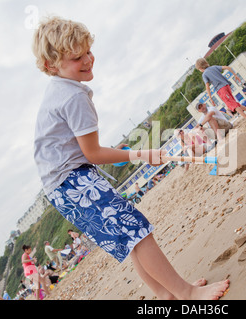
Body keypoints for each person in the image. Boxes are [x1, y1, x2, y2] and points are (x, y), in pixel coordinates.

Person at [32, 16, 229, 300]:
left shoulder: (59, 91)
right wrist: (142, 154)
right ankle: (186, 293)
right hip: (72, 182)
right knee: (138, 232)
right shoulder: (72, 97)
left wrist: (127, 154)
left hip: (63, 187)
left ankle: (166, 293)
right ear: (52, 65)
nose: (88, 59)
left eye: (88, 51)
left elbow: (83, 150)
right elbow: (94, 153)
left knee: (130, 238)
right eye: (77, 57)